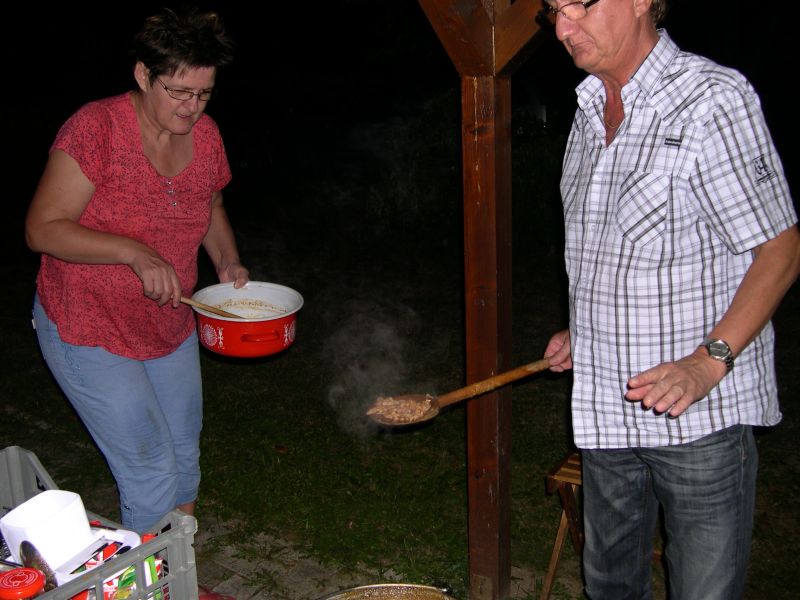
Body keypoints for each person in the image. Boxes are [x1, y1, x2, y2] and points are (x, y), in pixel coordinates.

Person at [541, 0, 800, 598]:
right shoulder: (588, 111)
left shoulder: (711, 99)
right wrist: (584, 328)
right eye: (553, 10)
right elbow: (614, 251)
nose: (562, 28)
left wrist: (709, 361)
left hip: (698, 423)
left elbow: (780, 251)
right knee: (609, 586)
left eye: (580, 4)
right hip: (606, 411)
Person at [25, 5, 248, 546]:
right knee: (150, 470)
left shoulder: (206, 136)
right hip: (87, 324)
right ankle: (150, 577)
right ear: (144, 75)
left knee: (184, 457)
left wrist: (226, 261)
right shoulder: (96, 129)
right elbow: (42, 229)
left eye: (204, 94)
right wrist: (132, 252)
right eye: (179, 92)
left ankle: (177, 568)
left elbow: (210, 206)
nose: (192, 107)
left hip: (168, 324)